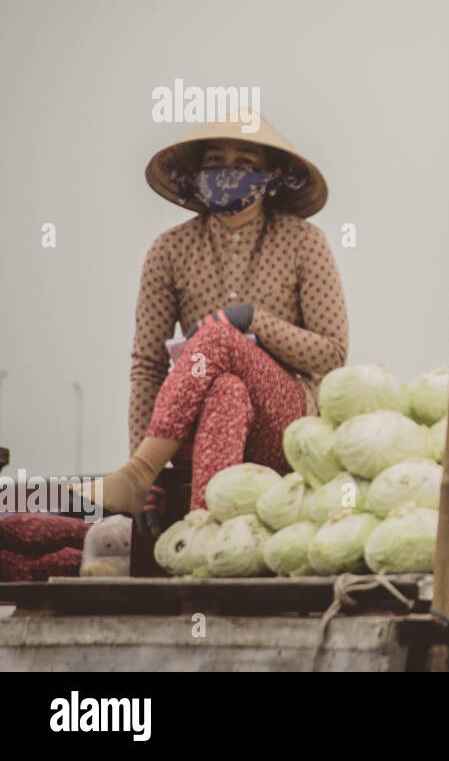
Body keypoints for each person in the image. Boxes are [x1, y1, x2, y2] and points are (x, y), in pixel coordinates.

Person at [74, 111, 347, 528]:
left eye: (245, 164)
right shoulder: (170, 250)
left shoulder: (303, 242)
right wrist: (156, 469)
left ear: (272, 177)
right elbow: (148, 368)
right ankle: (203, 526)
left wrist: (254, 321)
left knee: (219, 337)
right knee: (226, 388)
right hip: (192, 421)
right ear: (196, 176)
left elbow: (332, 353)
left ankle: (137, 474)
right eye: (215, 162)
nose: (227, 173)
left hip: (285, 419)